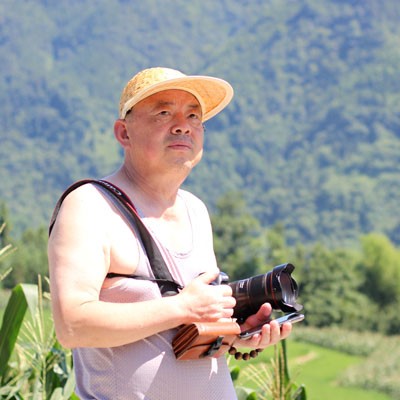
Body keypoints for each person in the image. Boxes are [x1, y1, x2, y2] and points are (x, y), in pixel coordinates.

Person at [48, 67, 292, 400]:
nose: (182, 125)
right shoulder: (90, 205)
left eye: (193, 116)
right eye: (163, 113)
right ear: (123, 133)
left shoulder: (195, 210)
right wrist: (183, 307)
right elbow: (72, 325)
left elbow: (179, 330)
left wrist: (237, 334)